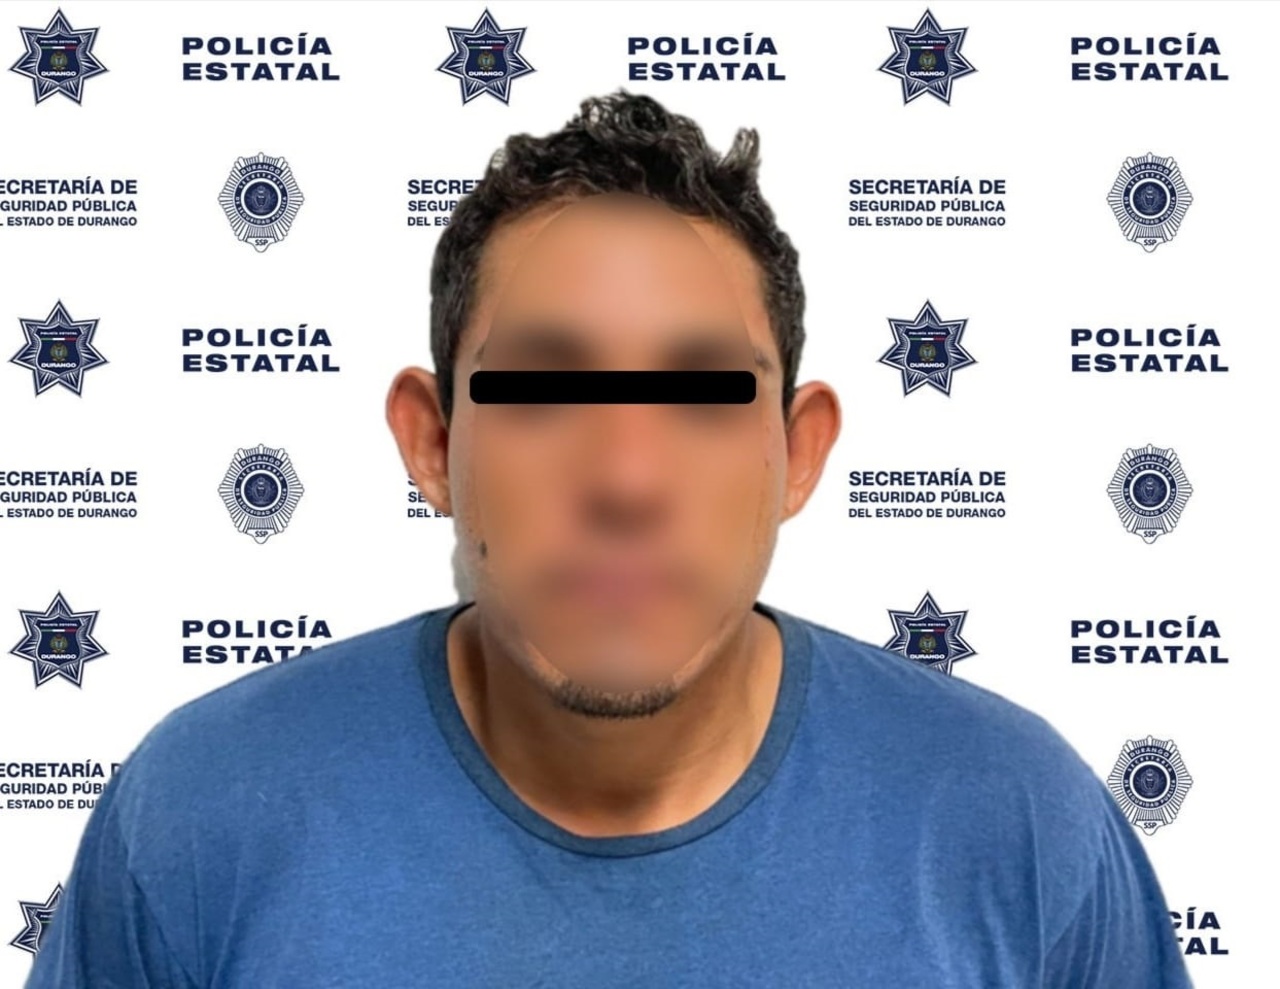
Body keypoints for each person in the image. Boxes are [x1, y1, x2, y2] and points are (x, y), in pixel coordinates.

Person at [26, 91, 1193, 988]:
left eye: (701, 395)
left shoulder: (1012, 821)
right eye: (541, 390)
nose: (626, 478)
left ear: (796, 454)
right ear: (432, 443)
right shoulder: (204, 814)